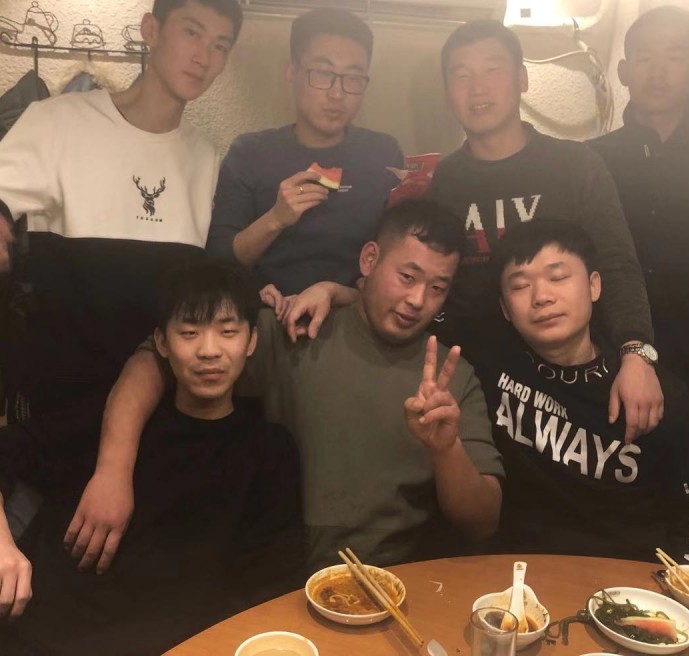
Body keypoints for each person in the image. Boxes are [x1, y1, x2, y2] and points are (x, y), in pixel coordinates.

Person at [67, 199, 504, 573]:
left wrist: (446, 450)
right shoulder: (299, 326)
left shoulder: (449, 375)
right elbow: (152, 361)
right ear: (369, 259)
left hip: (391, 582)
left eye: (437, 288)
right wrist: (113, 471)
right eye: (407, 277)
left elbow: (482, 521)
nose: (417, 300)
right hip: (272, 576)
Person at [0, 261, 300, 656]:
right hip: (39, 633)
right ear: (161, 342)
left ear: (251, 341)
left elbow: (270, 583)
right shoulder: (111, 419)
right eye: (189, 333)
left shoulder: (269, 451)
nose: (209, 350)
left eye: (228, 332)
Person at [0, 0, 242, 423]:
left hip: (166, 411)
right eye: (191, 32)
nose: (203, 57)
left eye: (220, 46)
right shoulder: (58, 121)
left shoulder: (206, 158)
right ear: (151, 30)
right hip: (61, 407)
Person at [425, 18, 663, 444]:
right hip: (478, 388)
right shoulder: (443, 181)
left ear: (522, 78)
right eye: (462, 75)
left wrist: (636, 353)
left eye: (492, 70)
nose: (477, 88)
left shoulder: (575, 166)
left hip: (574, 387)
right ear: (446, 91)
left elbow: (616, 263)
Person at [485, 218, 689, 564]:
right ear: (505, 309)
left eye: (558, 277)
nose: (542, 297)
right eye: (520, 286)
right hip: (519, 575)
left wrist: (680, 588)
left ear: (594, 286)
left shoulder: (654, 390)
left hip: (633, 578)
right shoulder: (489, 369)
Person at [587, 6, 689, 449]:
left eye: (674, 57)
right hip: (606, 373)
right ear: (624, 71)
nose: (658, 72)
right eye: (645, 58)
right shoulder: (589, 162)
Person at [206, 6, 404, 294]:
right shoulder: (250, 154)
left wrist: (338, 296)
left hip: (354, 314)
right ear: (292, 72)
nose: (337, 93)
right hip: (265, 314)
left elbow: (398, 259)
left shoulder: (383, 155)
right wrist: (275, 219)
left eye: (352, 78)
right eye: (323, 73)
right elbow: (219, 260)